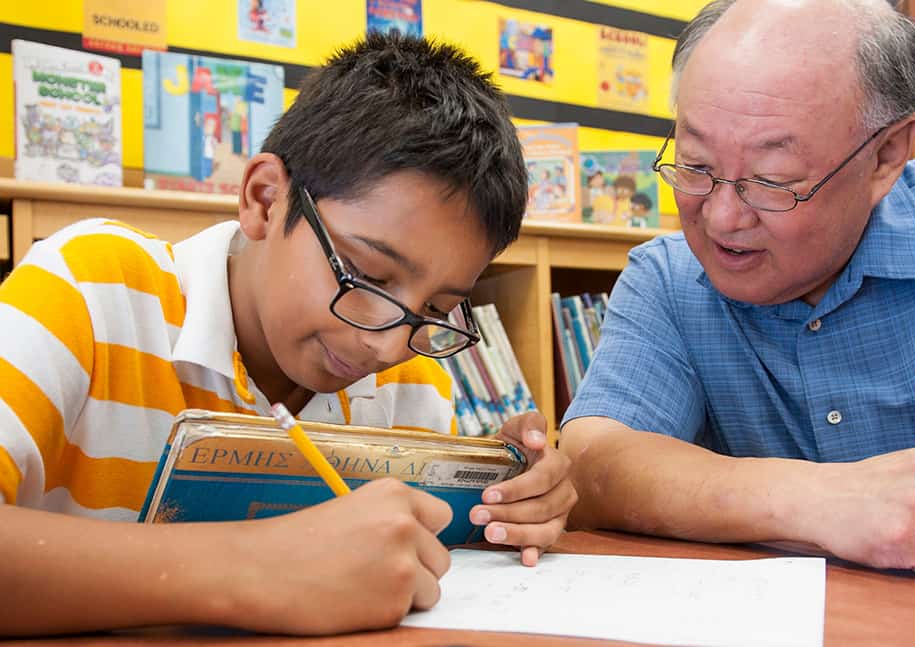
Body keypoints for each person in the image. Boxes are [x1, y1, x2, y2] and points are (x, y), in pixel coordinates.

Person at [0, 33, 575, 636]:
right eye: (367, 275)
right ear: (265, 200)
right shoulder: (92, 291)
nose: (385, 344)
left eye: (436, 307)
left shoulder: (412, 385)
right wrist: (247, 566)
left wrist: (503, 509)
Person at [561, 0, 915, 579]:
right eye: (696, 164)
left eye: (772, 182)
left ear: (885, 155)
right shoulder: (671, 282)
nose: (722, 218)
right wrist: (820, 500)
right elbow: (589, 465)